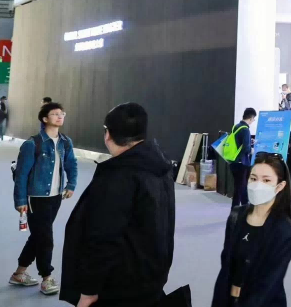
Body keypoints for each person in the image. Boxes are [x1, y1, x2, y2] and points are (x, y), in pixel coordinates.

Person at [60, 103, 174, 307]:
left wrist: (88, 291)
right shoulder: (160, 167)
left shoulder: (118, 177)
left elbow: (103, 237)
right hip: (150, 276)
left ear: (108, 134)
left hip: (120, 286)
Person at [212, 152, 291, 307]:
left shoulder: (284, 231)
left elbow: (269, 283)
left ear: (280, 186)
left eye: (266, 180)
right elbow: (226, 267)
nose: (258, 185)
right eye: (253, 178)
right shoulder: (236, 216)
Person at [11, 102, 77, 296]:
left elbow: (71, 164)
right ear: (45, 118)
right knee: (46, 238)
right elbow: (22, 175)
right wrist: (20, 200)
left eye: (62, 113)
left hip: (55, 197)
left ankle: (19, 274)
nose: (60, 116)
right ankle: (47, 278)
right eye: (55, 114)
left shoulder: (65, 142)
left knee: (38, 236)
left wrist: (71, 185)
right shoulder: (32, 144)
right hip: (36, 198)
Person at [229, 108, 257, 209]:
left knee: (241, 187)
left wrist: (250, 141)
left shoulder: (236, 126)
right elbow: (246, 148)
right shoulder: (245, 129)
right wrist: (252, 150)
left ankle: (245, 208)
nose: (253, 121)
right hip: (242, 162)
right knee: (240, 188)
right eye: (253, 119)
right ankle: (235, 210)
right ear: (251, 118)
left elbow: (238, 142)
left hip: (233, 161)